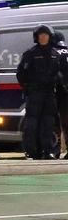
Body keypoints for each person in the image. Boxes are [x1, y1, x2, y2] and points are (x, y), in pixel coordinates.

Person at [16, 24, 65, 160]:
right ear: (36, 37)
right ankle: (32, 151)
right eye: (41, 35)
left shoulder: (55, 55)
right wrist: (28, 88)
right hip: (35, 94)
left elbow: (59, 75)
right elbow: (21, 74)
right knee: (31, 124)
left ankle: (47, 151)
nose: (43, 37)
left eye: (46, 35)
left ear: (50, 37)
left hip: (49, 94)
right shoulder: (30, 54)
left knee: (48, 124)